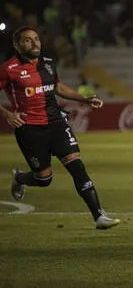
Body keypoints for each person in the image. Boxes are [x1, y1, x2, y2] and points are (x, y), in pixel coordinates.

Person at [1, 26, 119, 229]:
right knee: (44, 179)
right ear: (16, 45)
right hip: (30, 130)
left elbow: (57, 87)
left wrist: (84, 99)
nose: (35, 43)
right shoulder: (8, 69)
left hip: (57, 124)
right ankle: (20, 177)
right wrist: (8, 114)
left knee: (77, 167)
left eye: (36, 38)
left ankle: (99, 215)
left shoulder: (47, 64)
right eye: (28, 40)